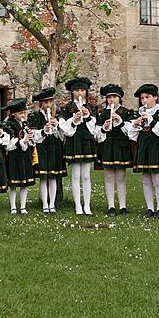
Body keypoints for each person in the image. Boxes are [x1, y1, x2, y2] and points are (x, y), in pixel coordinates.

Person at [125, 84, 159, 218]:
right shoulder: (137, 112)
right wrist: (135, 125)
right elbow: (132, 136)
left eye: (147, 97)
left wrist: (150, 120)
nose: (144, 100)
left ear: (155, 97)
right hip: (143, 147)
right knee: (145, 179)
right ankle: (150, 208)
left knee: (157, 178)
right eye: (142, 98)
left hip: (156, 147)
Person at [58, 77, 97, 215]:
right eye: (76, 90)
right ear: (72, 92)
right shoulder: (67, 108)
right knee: (75, 175)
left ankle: (87, 205)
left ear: (86, 92)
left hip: (86, 141)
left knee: (86, 175)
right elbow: (63, 129)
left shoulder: (92, 107)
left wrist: (87, 117)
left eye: (82, 90)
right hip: (74, 141)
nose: (80, 93)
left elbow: (95, 130)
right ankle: (77, 205)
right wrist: (74, 120)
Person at [95, 84, 134, 216]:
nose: (112, 100)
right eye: (110, 97)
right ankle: (111, 206)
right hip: (107, 146)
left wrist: (121, 122)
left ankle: (123, 206)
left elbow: (131, 132)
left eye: (115, 97)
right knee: (109, 176)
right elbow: (97, 135)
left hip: (121, 146)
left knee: (121, 176)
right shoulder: (102, 113)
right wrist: (104, 128)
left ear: (119, 98)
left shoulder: (126, 112)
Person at [29, 87, 66, 214]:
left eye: (50, 102)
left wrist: (57, 126)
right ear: (41, 104)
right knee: (44, 178)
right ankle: (45, 204)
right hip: (42, 148)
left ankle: (52, 204)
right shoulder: (35, 116)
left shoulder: (58, 116)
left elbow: (62, 135)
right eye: (45, 103)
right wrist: (44, 130)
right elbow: (34, 136)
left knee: (53, 177)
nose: (48, 105)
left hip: (55, 147)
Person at [2, 98, 35, 214]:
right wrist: (22, 141)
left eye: (24, 113)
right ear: (13, 114)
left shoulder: (26, 124)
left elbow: (30, 142)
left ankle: (23, 206)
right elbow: (8, 145)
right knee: (13, 184)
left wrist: (29, 137)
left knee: (24, 183)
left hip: (25, 156)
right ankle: (13, 206)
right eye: (21, 113)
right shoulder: (8, 125)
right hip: (14, 156)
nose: (23, 115)